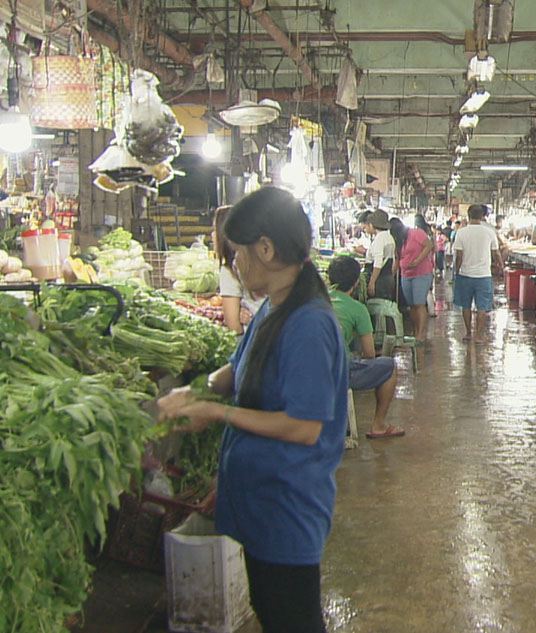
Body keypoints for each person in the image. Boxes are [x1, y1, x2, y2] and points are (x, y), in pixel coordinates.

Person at [157, 187, 348, 633]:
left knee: (291, 619)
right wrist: (194, 390)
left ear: (266, 248)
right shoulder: (275, 308)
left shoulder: (309, 324)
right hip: (262, 498)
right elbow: (238, 371)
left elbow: (303, 427)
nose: (233, 265)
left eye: (237, 253)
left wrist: (216, 413)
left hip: (287, 508)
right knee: (273, 610)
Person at [326, 256, 405, 439]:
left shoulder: (315, 300)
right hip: (338, 371)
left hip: (309, 368)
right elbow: (369, 353)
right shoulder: (357, 309)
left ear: (329, 279)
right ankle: (378, 425)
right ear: (356, 282)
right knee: (389, 366)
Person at [452, 204, 500, 343]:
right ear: (482, 216)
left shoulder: (461, 232)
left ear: (469, 215)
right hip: (484, 276)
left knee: (466, 305)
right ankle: (478, 336)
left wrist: (457, 271)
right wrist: (500, 266)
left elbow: (459, 256)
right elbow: (496, 253)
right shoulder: (489, 232)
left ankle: (468, 333)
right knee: (482, 307)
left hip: (465, 274)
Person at [212, 205, 264, 334]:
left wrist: (239, 316)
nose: (212, 235)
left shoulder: (230, 269)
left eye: (214, 229)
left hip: (258, 341)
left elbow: (234, 326)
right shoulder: (264, 260)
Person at [390, 217, 435, 343]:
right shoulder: (398, 241)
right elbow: (397, 259)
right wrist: (392, 275)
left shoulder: (416, 233)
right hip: (406, 275)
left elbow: (429, 246)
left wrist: (418, 261)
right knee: (412, 306)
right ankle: (415, 331)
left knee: (419, 304)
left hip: (422, 273)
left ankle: (421, 334)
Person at [362, 210, 397, 301]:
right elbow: (394, 258)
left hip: (379, 280)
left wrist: (372, 283)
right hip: (387, 277)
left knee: (376, 306)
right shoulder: (389, 237)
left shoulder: (379, 239)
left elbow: (378, 263)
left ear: (372, 225)